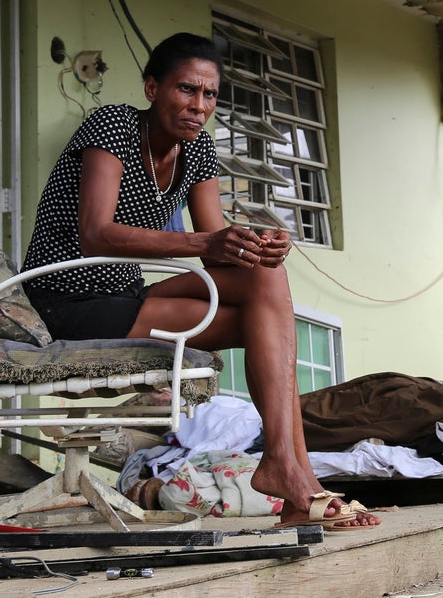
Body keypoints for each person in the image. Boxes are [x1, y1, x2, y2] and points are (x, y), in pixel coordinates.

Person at [23, 32, 378, 529]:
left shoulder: (199, 151)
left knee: (264, 283)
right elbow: (95, 234)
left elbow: (217, 250)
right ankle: (296, 480)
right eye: (186, 90)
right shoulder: (113, 126)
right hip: (69, 297)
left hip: (126, 296)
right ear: (152, 88)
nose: (198, 106)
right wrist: (211, 245)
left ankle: (293, 474)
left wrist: (254, 246)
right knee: (267, 318)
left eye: (209, 95)